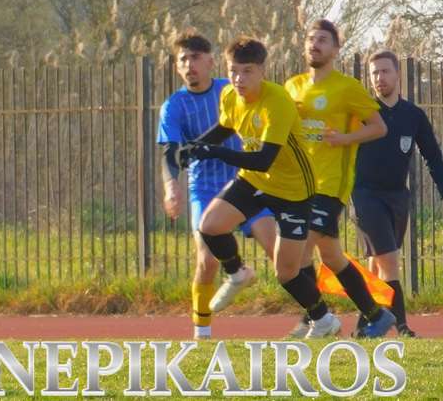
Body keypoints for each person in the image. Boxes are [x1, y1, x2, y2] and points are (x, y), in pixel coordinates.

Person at [182, 36, 342, 339]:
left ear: (262, 71)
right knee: (210, 226)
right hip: (254, 180)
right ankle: (237, 273)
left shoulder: (277, 100)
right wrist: (194, 147)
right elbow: (225, 127)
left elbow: (264, 159)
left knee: (286, 272)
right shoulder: (229, 95)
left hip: (294, 190)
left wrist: (214, 152)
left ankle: (323, 319)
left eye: (247, 71)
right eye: (233, 70)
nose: (238, 79)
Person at [157, 30, 277, 340]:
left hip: (246, 181)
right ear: (176, 67)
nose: (190, 65)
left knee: (278, 249)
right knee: (207, 259)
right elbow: (171, 152)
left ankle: (316, 317)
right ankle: (202, 331)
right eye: (183, 59)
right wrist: (171, 186)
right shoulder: (174, 106)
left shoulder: (231, 89)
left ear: (211, 62)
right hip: (205, 188)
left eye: (195, 58)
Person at [284, 19, 396, 338]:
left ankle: (315, 319)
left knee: (300, 251)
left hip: (330, 185)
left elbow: (379, 127)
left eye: (322, 39)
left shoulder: (347, 87)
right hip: (299, 186)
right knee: (331, 256)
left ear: (335, 49)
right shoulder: (292, 87)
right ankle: (377, 315)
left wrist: (345, 139)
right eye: (311, 38)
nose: (314, 44)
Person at [352, 49, 443, 337]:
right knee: (389, 261)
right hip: (365, 196)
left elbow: (433, 156)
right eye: (374, 73)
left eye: (385, 71)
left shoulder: (413, 115)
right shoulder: (363, 112)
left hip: (397, 197)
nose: (379, 78)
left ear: (397, 74)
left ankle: (363, 326)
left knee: (376, 264)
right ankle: (402, 327)